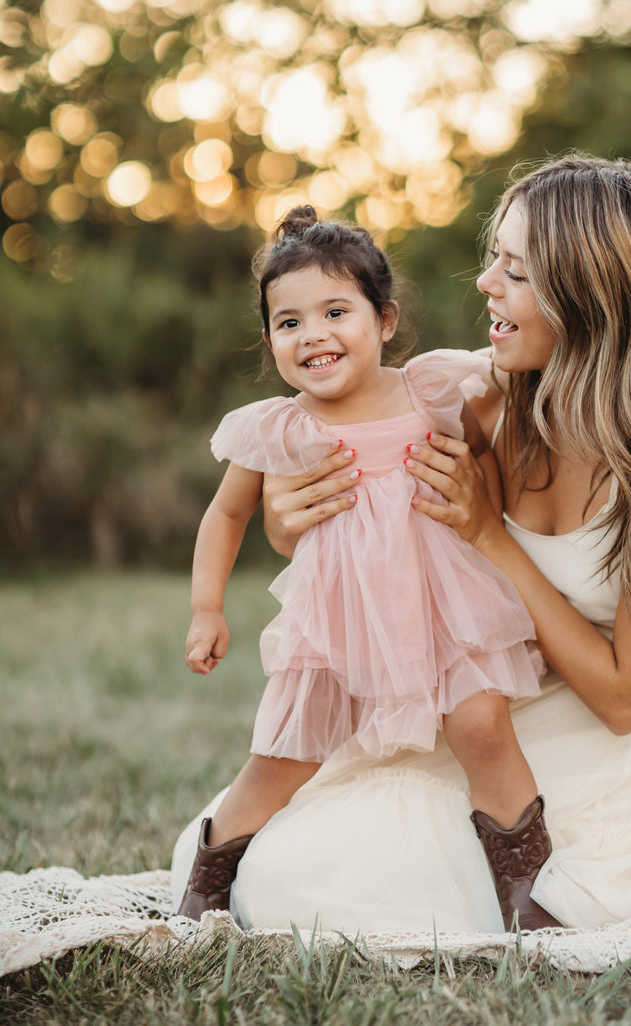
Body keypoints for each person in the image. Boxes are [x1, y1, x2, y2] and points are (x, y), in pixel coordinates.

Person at [172, 155, 631, 933]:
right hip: (520, 685)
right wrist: (286, 519)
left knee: (350, 882)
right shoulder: (484, 400)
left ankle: (529, 895)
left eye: (517, 271)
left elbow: (625, 699)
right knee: (292, 865)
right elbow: (377, 513)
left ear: (592, 295)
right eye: (494, 259)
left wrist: (489, 537)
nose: (485, 285)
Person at [176, 206, 553, 929]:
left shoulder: (431, 391)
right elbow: (225, 517)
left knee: (482, 726)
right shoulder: (279, 427)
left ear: (385, 321)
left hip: (447, 609)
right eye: (288, 323)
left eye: (335, 311)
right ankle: (210, 880)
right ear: (269, 341)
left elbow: (485, 468)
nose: (312, 334)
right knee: (282, 755)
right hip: (338, 623)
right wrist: (205, 608)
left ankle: (525, 884)